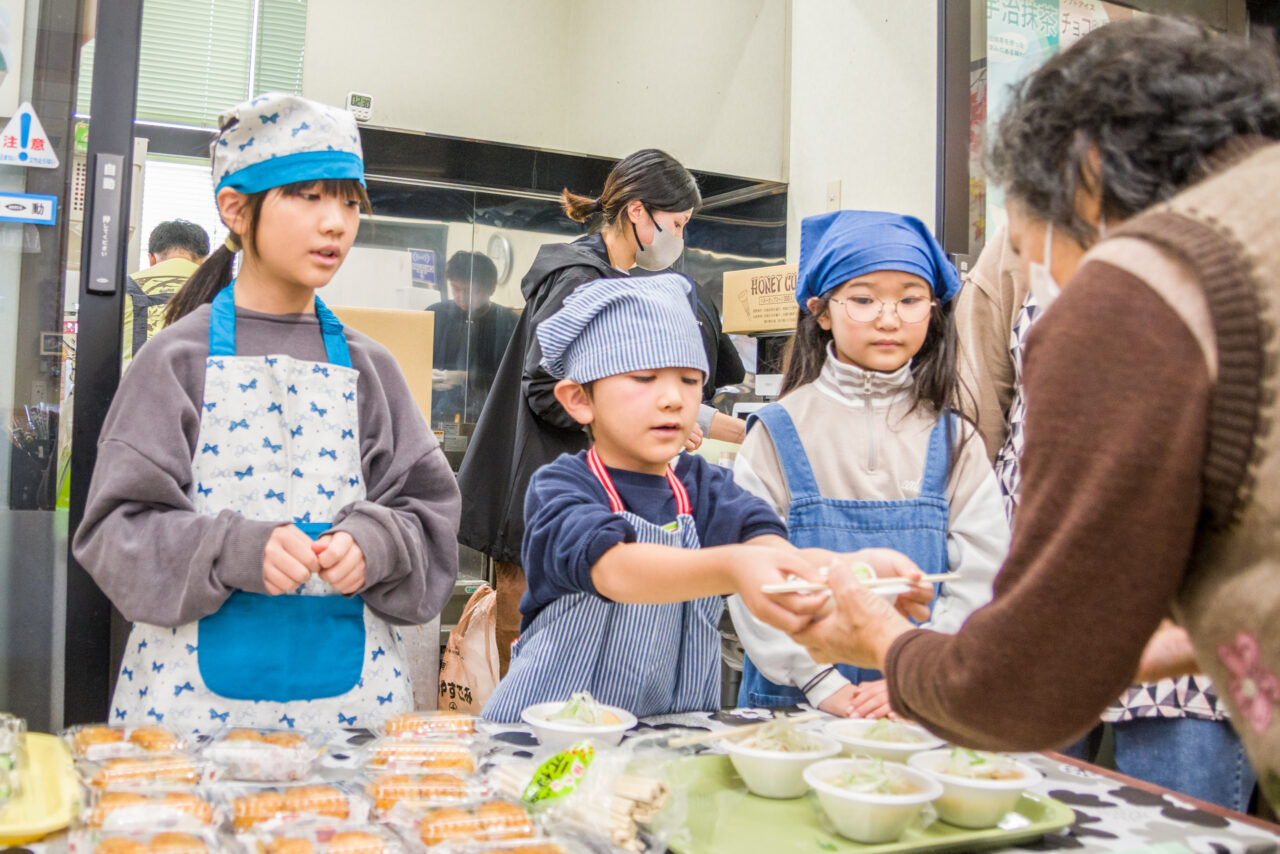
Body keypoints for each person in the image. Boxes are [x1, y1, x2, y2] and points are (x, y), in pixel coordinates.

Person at [774, 18, 1280, 811]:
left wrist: (882, 639)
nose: (1025, 269)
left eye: (1019, 242)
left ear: (1086, 173)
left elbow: (1014, 688)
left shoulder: (1137, 289)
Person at [72, 93, 461, 729]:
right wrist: (233, 547)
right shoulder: (176, 359)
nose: (336, 223)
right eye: (308, 196)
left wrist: (376, 543)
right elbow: (117, 531)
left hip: (349, 726)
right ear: (236, 208)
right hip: (193, 727)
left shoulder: (371, 368)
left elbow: (430, 516)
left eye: (350, 201)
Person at [481, 274, 884, 722]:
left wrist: (850, 569)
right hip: (550, 738)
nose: (673, 399)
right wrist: (735, 567)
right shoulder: (562, 488)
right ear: (579, 399)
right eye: (644, 377)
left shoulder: (707, 489)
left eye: (690, 380)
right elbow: (615, 570)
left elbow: (769, 549)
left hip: (668, 738)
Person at [958, 226, 1255, 809]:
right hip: (1041, 590)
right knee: (1015, 819)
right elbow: (976, 412)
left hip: (1193, 606)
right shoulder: (1025, 235)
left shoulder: (1245, 229)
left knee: (1182, 831)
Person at [457, 149, 726, 675]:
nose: (679, 238)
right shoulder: (580, 278)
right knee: (537, 664)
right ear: (637, 211)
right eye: (676, 224)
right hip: (540, 489)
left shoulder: (609, 277)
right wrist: (629, 425)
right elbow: (545, 388)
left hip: (567, 492)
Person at [729, 211, 1005, 717]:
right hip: (793, 705)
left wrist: (918, 672)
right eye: (862, 299)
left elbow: (982, 575)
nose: (889, 319)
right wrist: (822, 683)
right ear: (822, 312)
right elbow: (746, 574)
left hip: (919, 702)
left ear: (934, 311)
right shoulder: (776, 431)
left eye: (910, 299)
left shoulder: (955, 439)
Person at [429, 250, 518, 425]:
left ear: (491, 288)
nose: (462, 297)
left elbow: (512, 378)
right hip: (437, 412)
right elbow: (412, 362)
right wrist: (425, 376)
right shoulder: (435, 315)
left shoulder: (508, 323)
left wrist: (465, 377)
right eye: (456, 288)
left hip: (487, 415)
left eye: (472, 291)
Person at [122, 219, 210, 367]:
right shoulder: (225, 291)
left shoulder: (123, 288)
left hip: (136, 380)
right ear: (204, 260)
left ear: (151, 259)